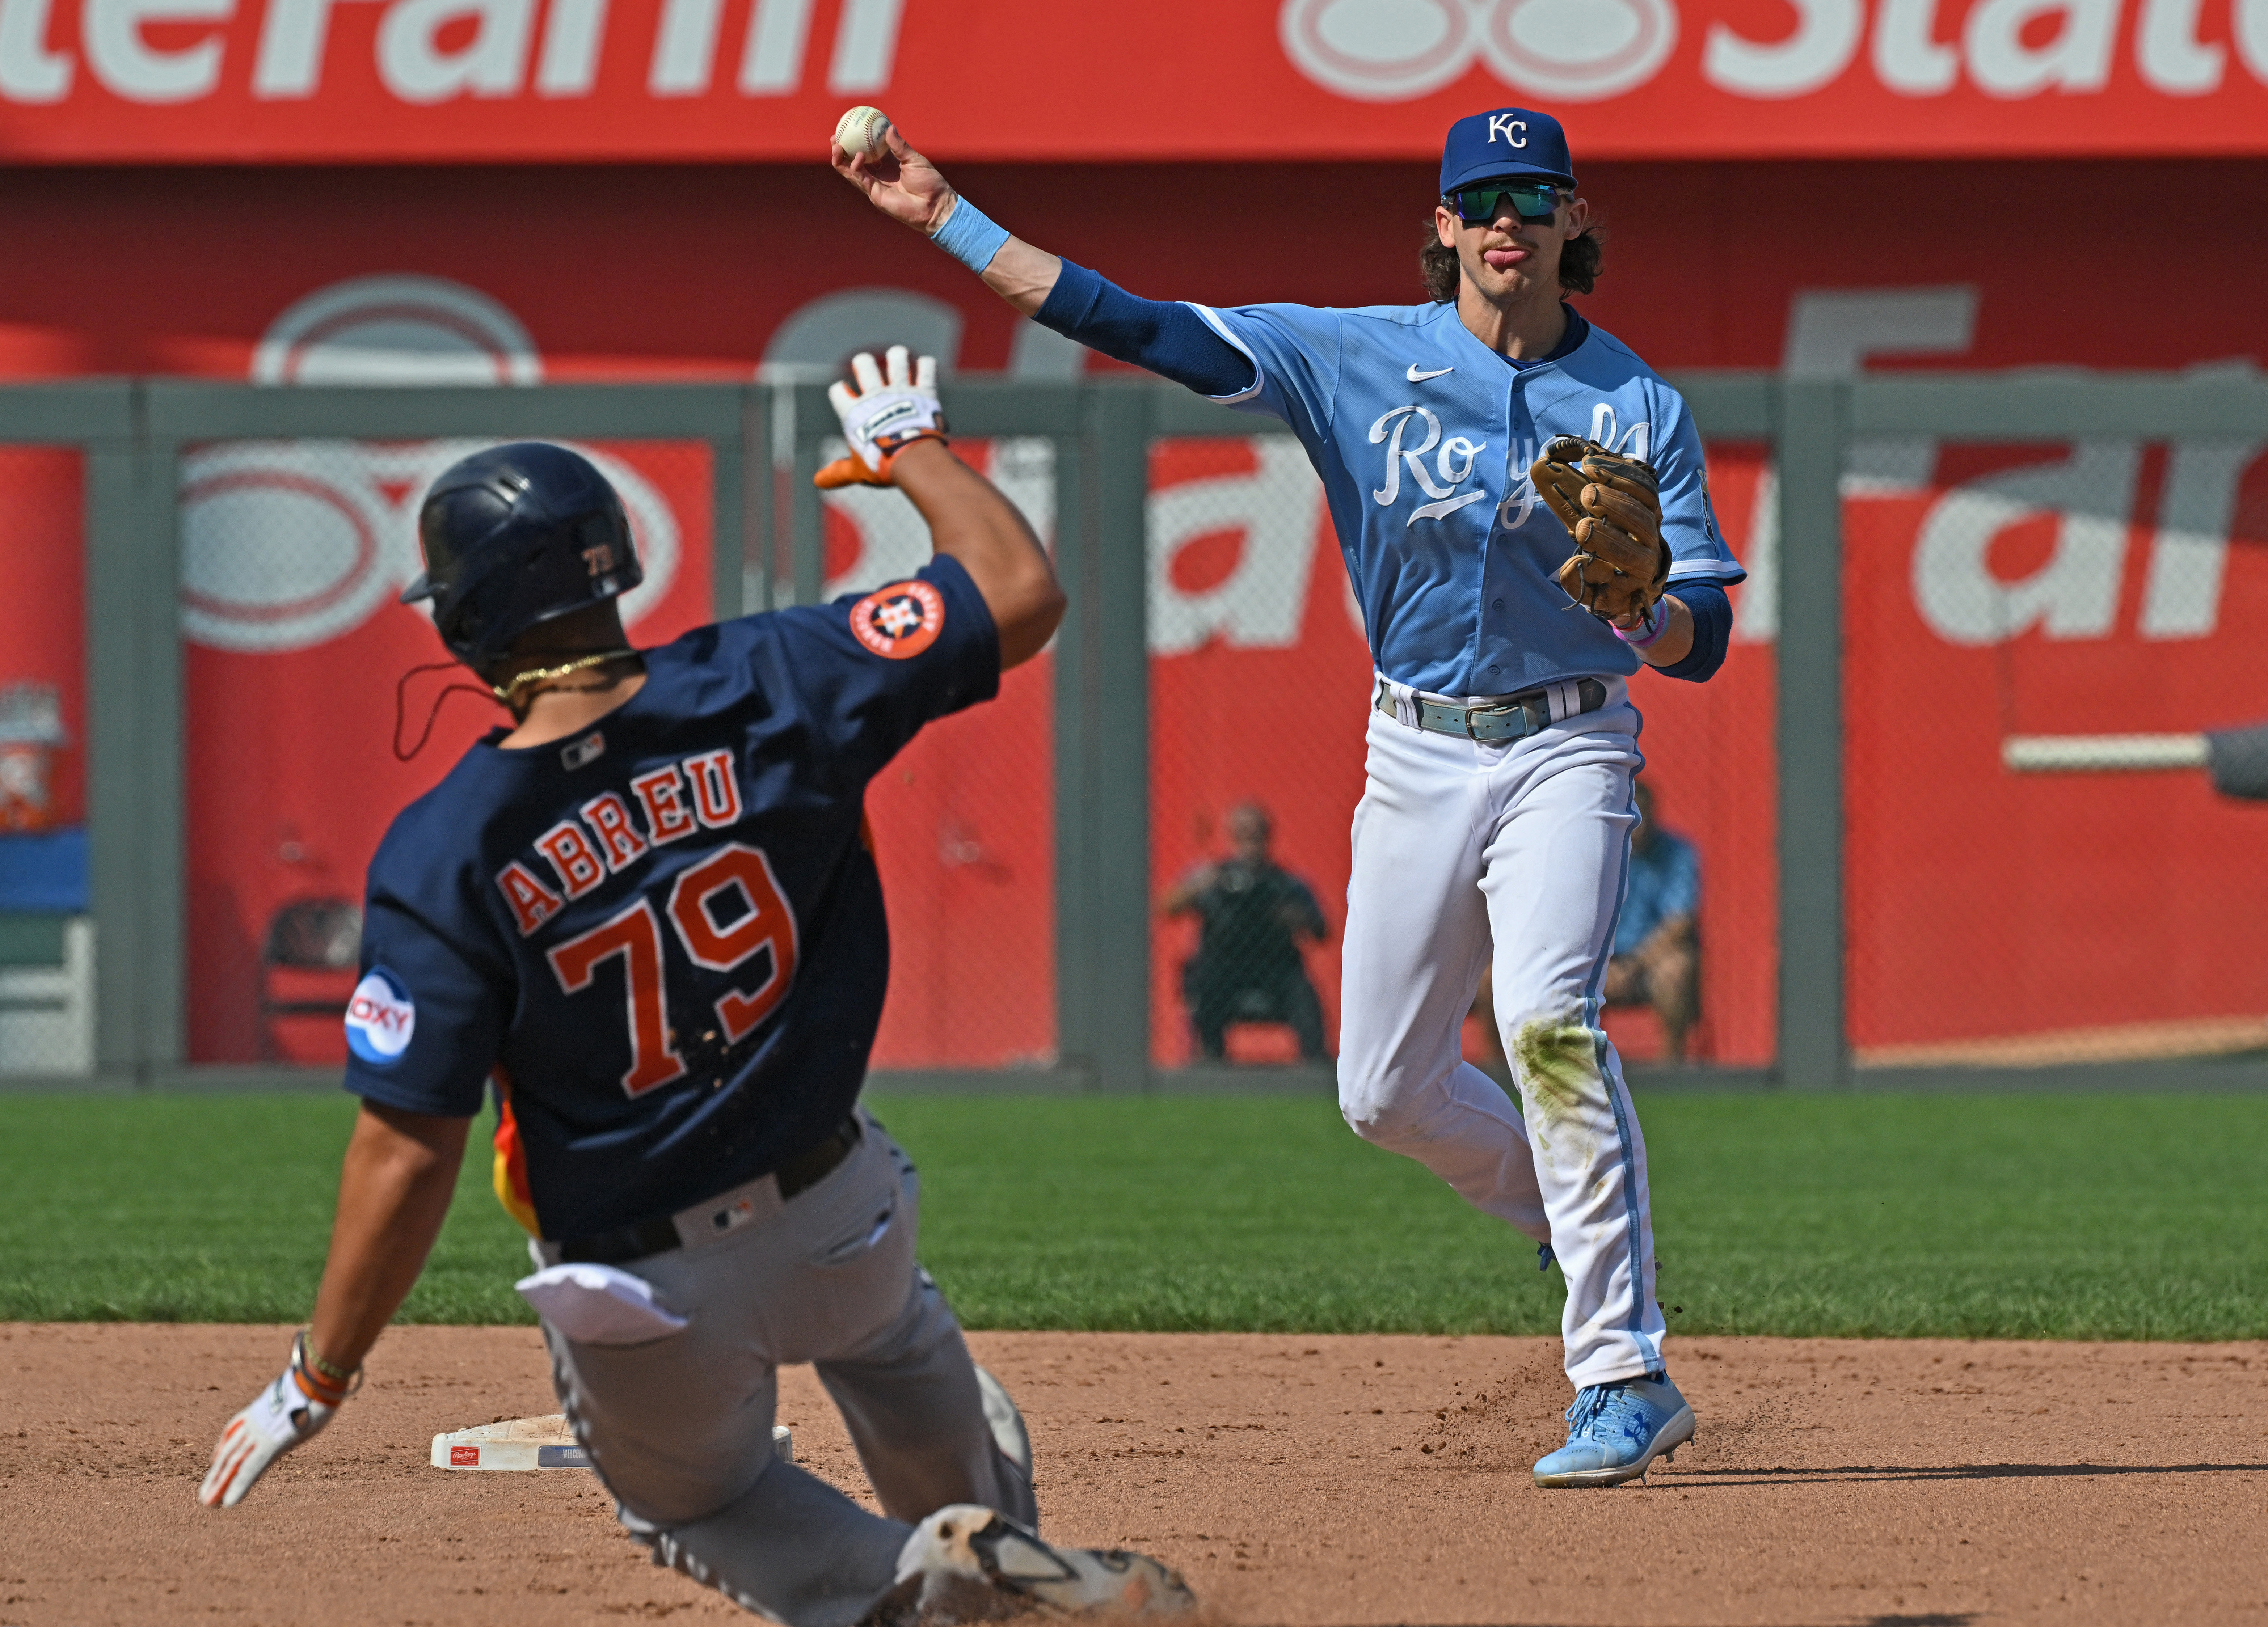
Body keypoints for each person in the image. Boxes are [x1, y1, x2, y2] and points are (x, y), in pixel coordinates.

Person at [197, 351, 1194, 1625]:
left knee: (699, 1503)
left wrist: (316, 1375)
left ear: (461, 623)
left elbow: (405, 1153)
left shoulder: (447, 845)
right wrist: (911, 447)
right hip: (837, 1205)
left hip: (642, 1285)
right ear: (616, 560)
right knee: (894, 1348)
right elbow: (1017, 589)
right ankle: (992, 1553)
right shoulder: (777, 676)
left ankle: (927, 1578)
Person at [837, 104, 1743, 1487]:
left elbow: (1704, 633)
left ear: (1570, 219)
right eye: (1477, 200)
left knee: (1547, 1022)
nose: (1504, 221)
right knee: (1382, 1090)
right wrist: (941, 216)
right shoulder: (1351, 355)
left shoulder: (1636, 404)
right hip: (1415, 748)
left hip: (1567, 741)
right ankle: (1574, 1213)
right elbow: (1131, 323)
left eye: (1529, 197)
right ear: (1441, 227)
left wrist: (1644, 619)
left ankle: (1619, 1370)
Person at [1160, 803, 1330, 1062]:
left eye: (1256, 833)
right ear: (1232, 835)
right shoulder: (1213, 876)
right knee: (1204, 981)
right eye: (1243, 833)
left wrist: (1288, 915)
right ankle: (1209, 1058)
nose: (1250, 840)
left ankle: (1314, 1065)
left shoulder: (1286, 883)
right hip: (1224, 966)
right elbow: (1168, 907)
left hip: (1276, 967)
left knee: (1303, 993)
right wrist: (1202, 885)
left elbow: (1321, 930)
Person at [1603, 782, 1700, 1062]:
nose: (1638, 822)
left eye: (1644, 813)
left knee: (1676, 969)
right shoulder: (1595, 850)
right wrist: (1603, 965)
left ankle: (1670, 1069)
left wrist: (1632, 966)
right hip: (1599, 959)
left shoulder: (1677, 853)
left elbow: (1679, 922)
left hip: (1649, 960)